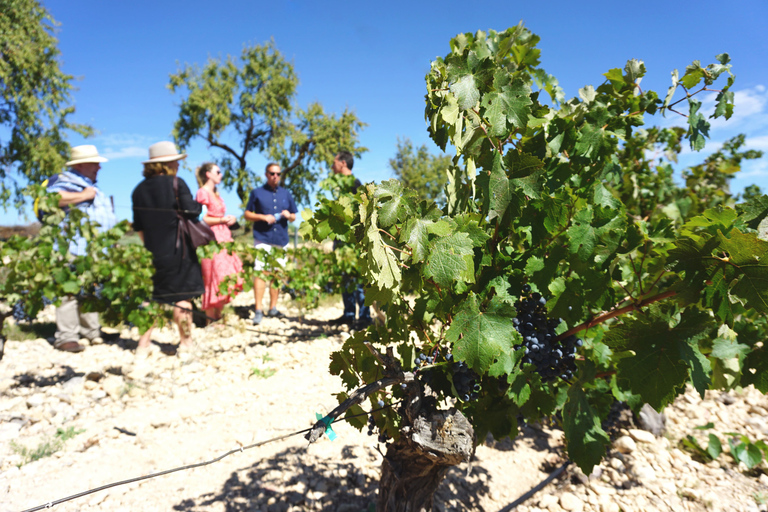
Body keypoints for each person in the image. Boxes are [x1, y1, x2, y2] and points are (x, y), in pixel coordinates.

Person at [131, 141, 204, 356]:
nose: (178, 165)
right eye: (175, 161)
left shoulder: (138, 190)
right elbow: (192, 212)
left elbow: (139, 227)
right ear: (166, 164)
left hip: (152, 250)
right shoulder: (176, 183)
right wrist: (198, 202)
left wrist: (150, 247)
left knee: (152, 298)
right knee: (183, 297)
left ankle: (143, 346)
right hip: (179, 250)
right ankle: (186, 344)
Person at [47, 145, 116, 352]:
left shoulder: (90, 184)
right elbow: (51, 199)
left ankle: (92, 332)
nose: (98, 168)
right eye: (95, 163)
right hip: (72, 246)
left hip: (92, 249)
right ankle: (66, 336)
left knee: (89, 290)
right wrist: (83, 196)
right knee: (68, 291)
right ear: (81, 165)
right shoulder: (66, 181)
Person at [243, 163, 297, 325]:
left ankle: (273, 308)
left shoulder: (286, 194)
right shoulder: (257, 193)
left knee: (277, 274)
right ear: (266, 174)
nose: (275, 176)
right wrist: (262, 217)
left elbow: (294, 216)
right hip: (263, 238)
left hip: (281, 239)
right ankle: (258, 309)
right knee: (261, 272)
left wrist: (289, 216)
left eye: (278, 174)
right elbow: (246, 214)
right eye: (272, 173)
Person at [195, 162, 243, 323]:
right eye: (218, 171)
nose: (221, 174)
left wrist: (230, 219)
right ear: (208, 174)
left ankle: (218, 316)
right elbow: (202, 218)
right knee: (211, 276)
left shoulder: (217, 194)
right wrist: (222, 219)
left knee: (224, 275)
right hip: (210, 238)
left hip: (224, 237)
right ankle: (210, 319)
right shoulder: (202, 193)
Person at [329, 151, 372, 328]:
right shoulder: (340, 185)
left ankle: (364, 318)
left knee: (357, 278)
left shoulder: (355, 185)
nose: (331, 166)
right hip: (341, 238)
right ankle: (348, 315)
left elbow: (362, 212)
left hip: (352, 239)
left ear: (343, 163)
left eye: (334, 162)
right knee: (345, 277)